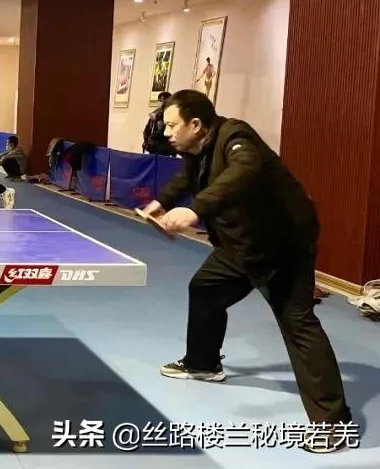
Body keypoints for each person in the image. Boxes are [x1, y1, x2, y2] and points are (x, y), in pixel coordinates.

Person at [142, 90, 351, 453]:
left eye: (173, 125)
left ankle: (334, 426)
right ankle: (203, 363)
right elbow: (188, 178)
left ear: (196, 124)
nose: (167, 132)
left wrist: (194, 210)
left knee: (298, 324)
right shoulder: (196, 149)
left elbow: (244, 173)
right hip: (240, 244)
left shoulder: (236, 137)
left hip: (282, 246)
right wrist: (160, 203)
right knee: (205, 288)